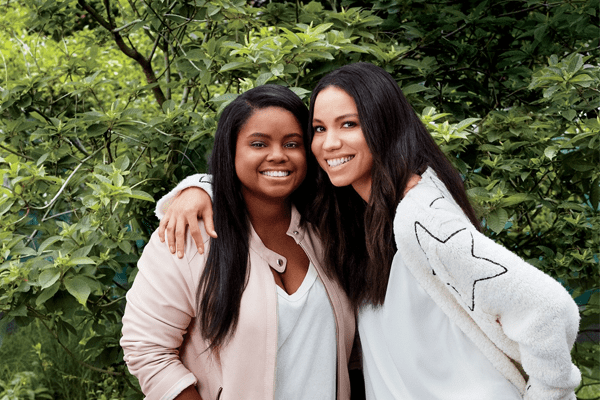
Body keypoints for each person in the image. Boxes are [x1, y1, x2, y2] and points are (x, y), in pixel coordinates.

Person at [156, 63, 581, 400]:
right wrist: (201, 187)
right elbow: (260, 183)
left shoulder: (421, 217)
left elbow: (547, 309)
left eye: (349, 124)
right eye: (319, 130)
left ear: (384, 124)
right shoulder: (357, 217)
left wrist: (550, 395)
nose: (329, 143)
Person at [120, 85, 356, 400]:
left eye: (292, 143)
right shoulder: (190, 234)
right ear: (231, 150)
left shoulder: (328, 233)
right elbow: (147, 348)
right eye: (258, 143)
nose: (278, 155)